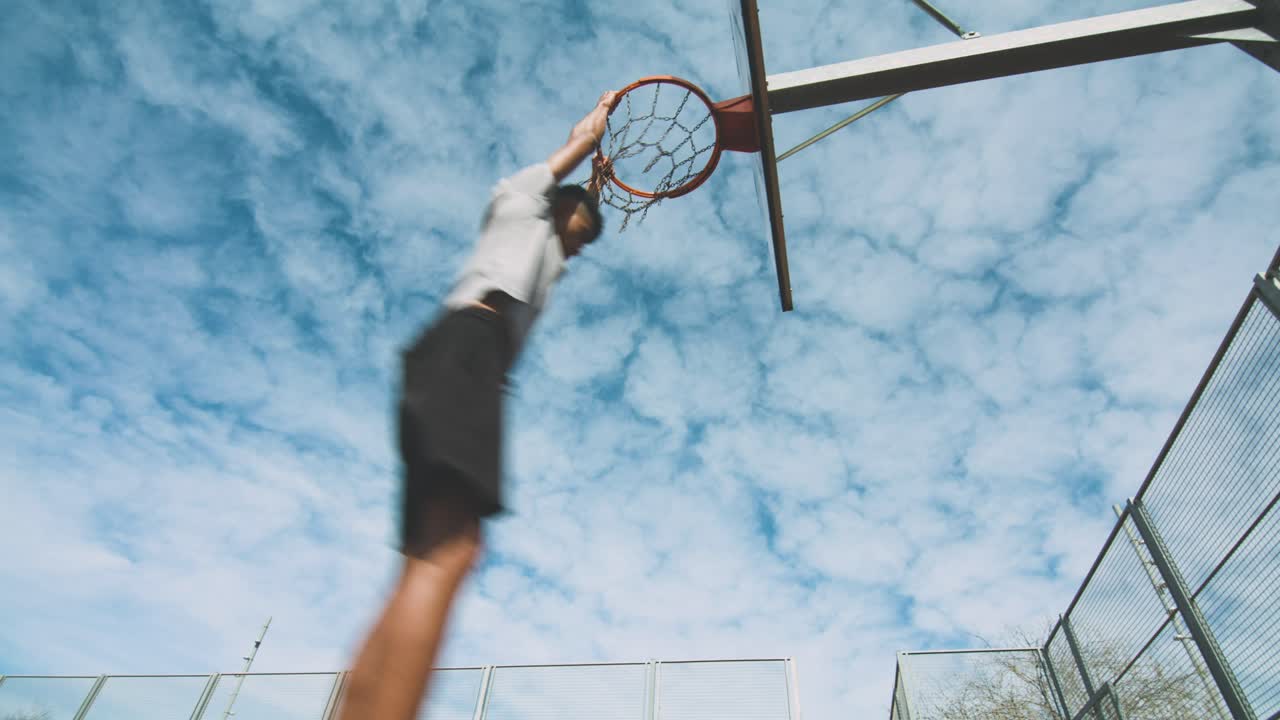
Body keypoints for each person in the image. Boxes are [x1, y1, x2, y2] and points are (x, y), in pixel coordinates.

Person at [334, 89, 618, 720]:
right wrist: (588, 137)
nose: (579, 247)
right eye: (578, 229)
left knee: (425, 557)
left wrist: (597, 181)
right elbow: (558, 176)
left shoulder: (547, 255)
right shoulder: (519, 205)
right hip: (467, 350)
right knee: (451, 550)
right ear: (556, 205)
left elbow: (575, 218)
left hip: (458, 361)